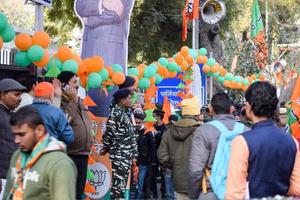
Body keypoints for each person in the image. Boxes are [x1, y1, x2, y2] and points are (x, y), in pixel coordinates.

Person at [226, 81, 300, 199]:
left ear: (250, 106)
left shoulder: (242, 142)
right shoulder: (292, 142)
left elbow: (234, 193)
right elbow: (296, 187)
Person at [74, 0, 135, 117]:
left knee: (106, 109)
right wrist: (101, 3)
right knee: (89, 112)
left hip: (110, 61)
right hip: (89, 60)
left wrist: (90, 20)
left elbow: (117, 15)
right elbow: (80, 6)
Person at [3, 105, 77, 200]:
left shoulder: (60, 163)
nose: (16, 140)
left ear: (39, 130)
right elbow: (7, 193)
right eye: (15, 135)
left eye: (22, 134)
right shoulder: (17, 155)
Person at [189, 93, 249, 199]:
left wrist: (193, 195)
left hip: (210, 191)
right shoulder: (245, 130)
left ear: (211, 109)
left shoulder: (203, 131)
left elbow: (196, 170)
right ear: (231, 109)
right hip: (240, 192)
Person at [57, 71, 94, 200]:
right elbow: (64, 121)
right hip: (69, 154)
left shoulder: (79, 101)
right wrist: (73, 101)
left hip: (83, 154)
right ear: (63, 85)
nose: (77, 87)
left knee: (78, 192)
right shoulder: (59, 102)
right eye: (74, 83)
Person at [158, 96, 202, 200]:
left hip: (178, 181)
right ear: (196, 114)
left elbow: (162, 156)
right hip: (198, 182)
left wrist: (175, 165)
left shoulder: (169, 132)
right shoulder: (201, 131)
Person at [101, 88, 138, 199]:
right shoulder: (116, 114)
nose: (131, 100)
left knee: (121, 186)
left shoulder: (124, 113)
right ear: (122, 101)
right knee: (118, 187)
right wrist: (107, 147)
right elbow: (108, 134)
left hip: (125, 156)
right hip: (120, 156)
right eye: (129, 98)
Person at [0, 78, 26, 199]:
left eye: (20, 95)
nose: (20, 98)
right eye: (16, 94)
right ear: (3, 95)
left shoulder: (11, 114)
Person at [134, 113, 156, 199]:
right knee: (133, 182)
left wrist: (152, 160)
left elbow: (153, 147)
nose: (137, 124)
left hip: (143, 162)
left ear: (142, 122)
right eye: (136, 122)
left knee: (140, 182)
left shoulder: (148, 132)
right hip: (132, 161)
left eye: (139, 123)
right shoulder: (132, 130)